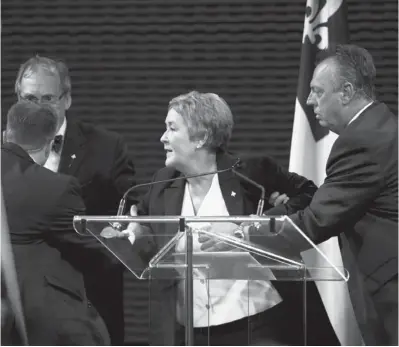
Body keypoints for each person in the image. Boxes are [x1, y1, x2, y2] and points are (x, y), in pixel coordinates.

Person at [124, 91, 339, 345]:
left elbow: (309, 194)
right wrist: (133, 232)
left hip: (259, 325)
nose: (163, 138)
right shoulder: (163, 182)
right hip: (192, 332)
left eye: (172, 129)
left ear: (201, 137)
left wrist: (249, 225)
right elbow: (144, 225)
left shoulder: (249, 172)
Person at [256, 44, 398, 345]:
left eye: (318, 91)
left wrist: (243, 231)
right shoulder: (382, 125)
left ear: (346, 92)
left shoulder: (362, 140)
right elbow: (337, 200)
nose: (309, 100)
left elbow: (316, 220)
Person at [14, 55, 137, 345]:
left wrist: (126, 228)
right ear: (17, 97)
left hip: (88, 304)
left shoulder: (107, 147)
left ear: (66, 99)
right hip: (19, 306)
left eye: (47, 98)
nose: (37, 108)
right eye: (29, 98)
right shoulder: (3, 151)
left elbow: (133, 205)